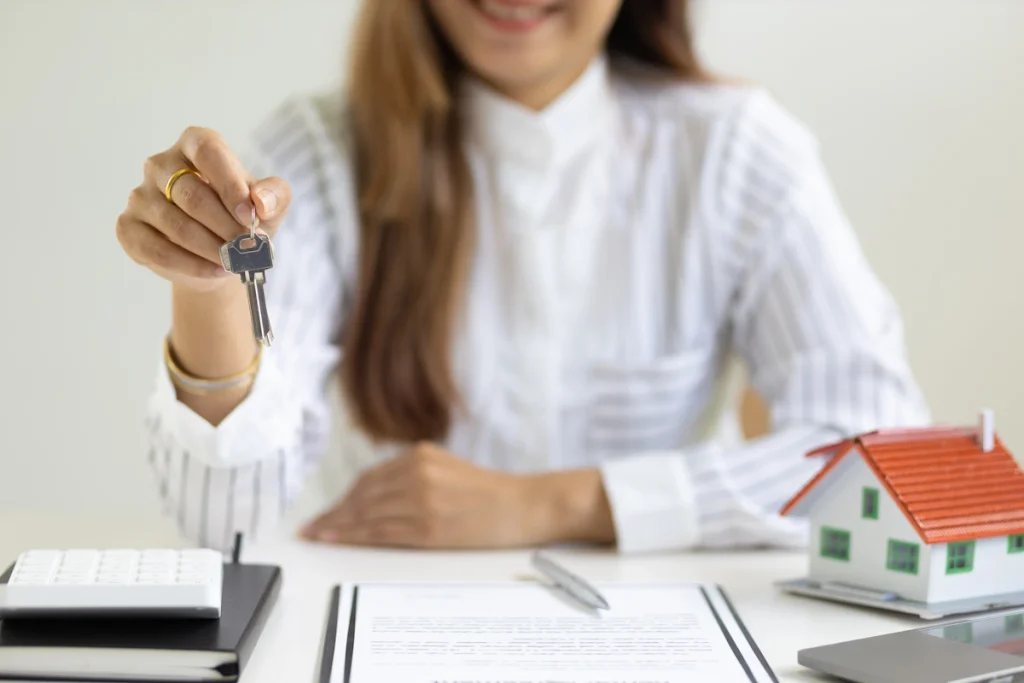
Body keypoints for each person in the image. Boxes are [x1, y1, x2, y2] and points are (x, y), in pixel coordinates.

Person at [116, 0, 930, 555]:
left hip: (665, 629)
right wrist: (210, 291)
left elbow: (885, 454)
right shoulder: (318, 152)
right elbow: (220, 521)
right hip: (394, 623)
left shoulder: (738, 150)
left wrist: (561, 502)